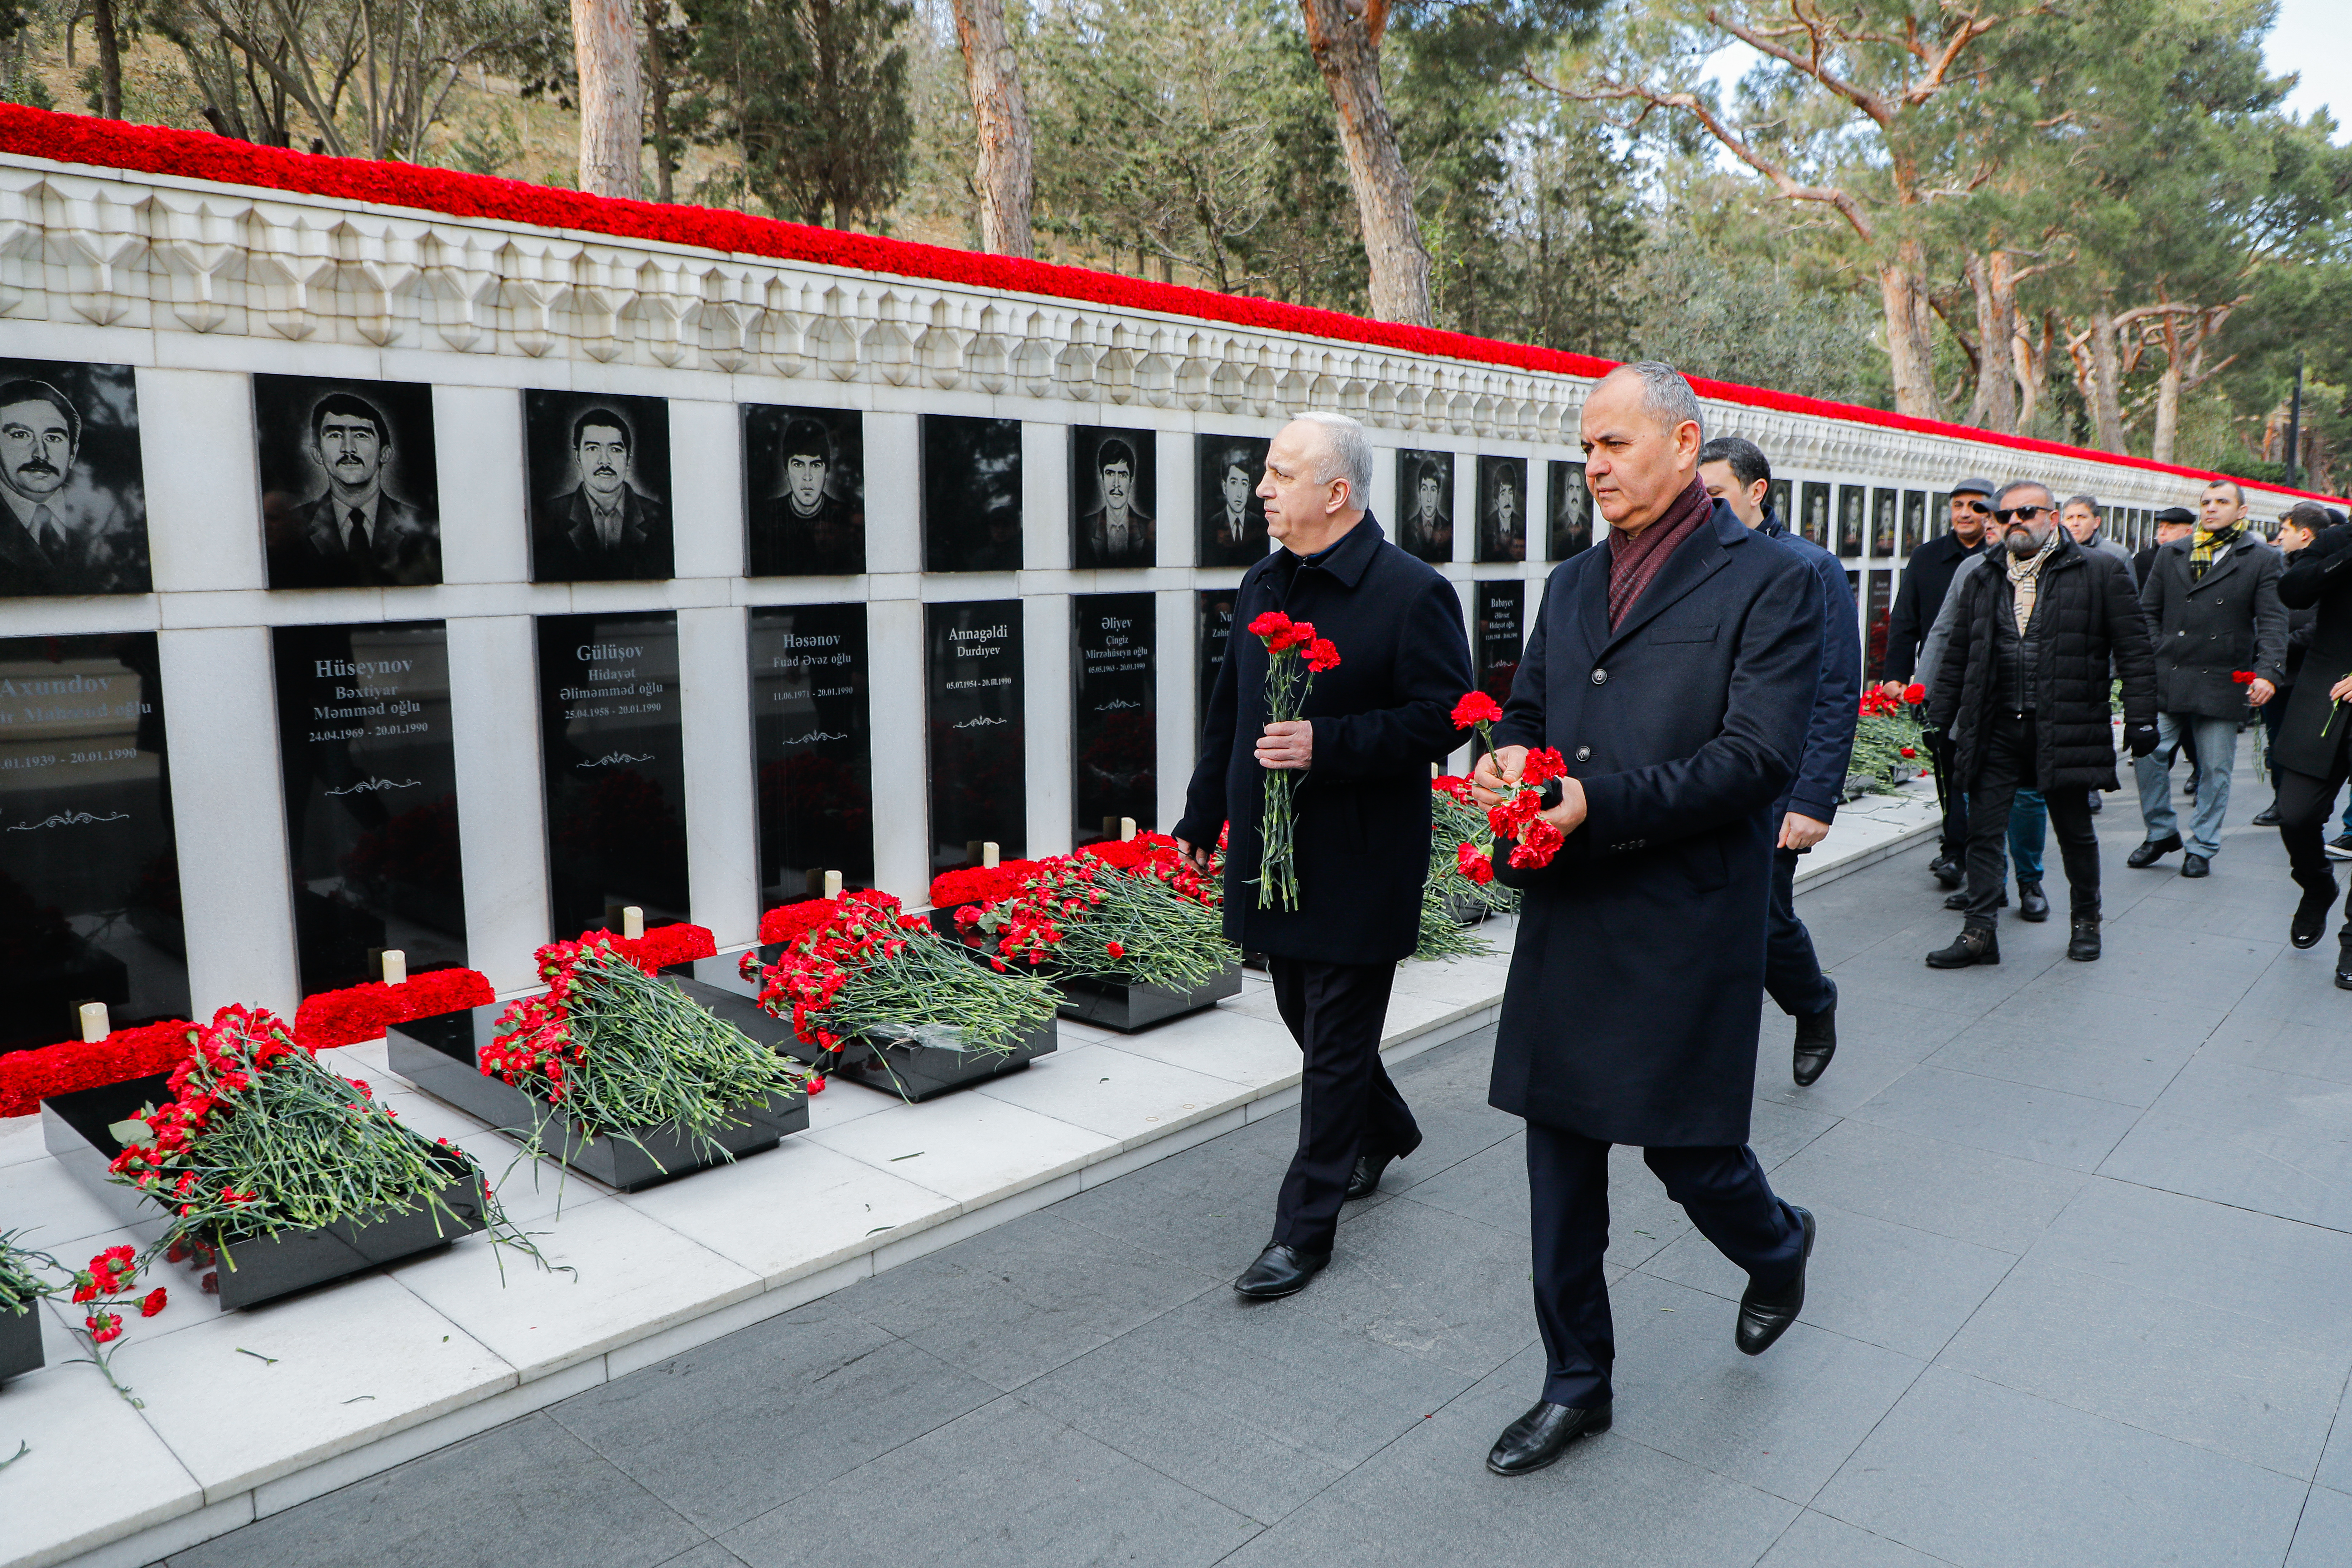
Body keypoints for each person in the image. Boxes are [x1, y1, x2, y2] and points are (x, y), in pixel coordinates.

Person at [1472, 363, 1822, 1477]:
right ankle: (1574, 1380)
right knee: (1559, 1166)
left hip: (1680, 915)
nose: (1593, 466)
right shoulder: (1572, 582)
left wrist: (1595, 804)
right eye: (1585, 447)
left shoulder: (1770, 580)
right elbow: (1531, 707)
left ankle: (1776, 1245)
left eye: (1614, 444)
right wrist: (1508, 761)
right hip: (1571, 915)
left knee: (1691, 1157)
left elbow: (1752, 757)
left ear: (1683, 444)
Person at [1171, 411, 1472, 1302]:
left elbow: (1443, 715)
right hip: (1274, 853)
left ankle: (1302, 1232)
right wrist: (1198, 818)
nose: (1260, 489)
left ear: (1335, 493)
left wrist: (1326, 744)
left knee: (1334, 1044)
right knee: (1307, 1015)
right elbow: (1230, 708)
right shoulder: (1264, 580)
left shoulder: (1412, 592)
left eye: (1277, 474)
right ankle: (1385, 1128)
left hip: (1361, 855)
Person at [1925, 481, 2158, 967]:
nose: (2013, 521)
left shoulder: (2100, 570)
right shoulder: (1985, 574)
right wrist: (1940, 714)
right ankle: (1979, 932)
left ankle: (2086, 921)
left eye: (2025, 512)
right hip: (1995, 725)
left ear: (2052, 517)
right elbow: (1958, 654)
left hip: (2065, 723)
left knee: (2074, 831)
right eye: (2004, 514)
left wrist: (2141, 718)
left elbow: (2135, 652)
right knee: (1984, 832)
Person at [1699, 435, 1856, 1087]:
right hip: (1700, 778)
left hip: (1771, 784)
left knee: (1762, 919)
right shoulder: (1696, 564)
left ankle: (1812, 1001)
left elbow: (1834, 688)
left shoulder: (1807, 568)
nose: (1703, 512)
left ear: (1755, 490)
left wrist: (1812, 797)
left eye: (1714, 498)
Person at [2127, 479, 2286, 876]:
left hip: (2223, 675)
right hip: (2170, 672)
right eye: (2205, 502)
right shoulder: (2172, 552)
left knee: (2215, 768)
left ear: (2242, 510)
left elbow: (2272, 622)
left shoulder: (2261, 558)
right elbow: (2146, 610)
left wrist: (2267, 672)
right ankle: (2161, 831)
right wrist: (2156, 648)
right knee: (2147, 754)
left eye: (2221, 501)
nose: (2211, 508)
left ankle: (2202, 844)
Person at [1914, 509, 2053, 921]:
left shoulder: (2060, 570)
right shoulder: (1972, 569)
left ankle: (2030, 881)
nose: (2002, 524)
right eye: (1997, 518)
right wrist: (1924, 687)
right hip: (1977, 704)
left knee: (2027, 800)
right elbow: (1944, 629)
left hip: (2030, 706)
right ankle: (1987, 887)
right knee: (1978, 797)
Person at [1880, 477, 1996, 889]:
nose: (1965, 512)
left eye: (1976, 506)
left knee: (1982, 773)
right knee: (1947, 769)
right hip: (1939, 683)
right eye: (1958, 505)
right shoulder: (1927, 557)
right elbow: (1905, 619)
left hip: (1988, 682)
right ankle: (1954, 848)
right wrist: (1895, 674)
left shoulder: (2001, 557)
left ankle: (1980, 850)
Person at [2272, 509, 2352, 983]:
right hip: (2323, 697)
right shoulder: (2336, 540)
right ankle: (2317, 884)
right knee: (2295, 813)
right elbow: (2293, 590)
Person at [267, 392, 441, 589]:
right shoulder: (298, 525)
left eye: (361, 435)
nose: (348, 449)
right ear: (317, 453)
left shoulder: (417, 526)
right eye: (335, 435)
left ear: (385, 453)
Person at [0, 377, 142, 596]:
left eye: (54, 438)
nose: (40, 453)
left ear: (73, 454)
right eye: (20, 435)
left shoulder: (105, 521)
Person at [532, 407, 674, 582]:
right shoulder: (551, 515)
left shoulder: (660, 516)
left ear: (628, 459)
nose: (605, 461)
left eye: (615, 450)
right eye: (593, 449)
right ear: (578, 457)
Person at [2254, 506, 2324, 826]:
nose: (2280, 537)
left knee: (2305, 744)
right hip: (2278, 673)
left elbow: (2321, 625)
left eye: (2285, 530)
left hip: (2310, 672)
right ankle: (2281, 801)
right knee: (2277, 739)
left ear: (2304, 534)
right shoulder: (2276, 566)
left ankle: (2303, 804)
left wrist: (2279, 643)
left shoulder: (2327, 569)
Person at [750, 415, 862, 575]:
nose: (807, 477)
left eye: (816, 465)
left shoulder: (843, 513)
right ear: (786, 471)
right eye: (798, 465)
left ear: (827, 471)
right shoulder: (767, 512)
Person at [1078, 435, 1153, 566]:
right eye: (1110, 474)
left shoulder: (1147, 528)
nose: (1116, 485)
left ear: (1131, 481)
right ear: (1102, 478)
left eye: (1123, 475)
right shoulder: (1085, 527)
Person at [1399, 454, 1453, 561]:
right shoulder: (1408, 528)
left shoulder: (1447, 526)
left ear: (1439, 494)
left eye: (1433, 490)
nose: (1429, 499)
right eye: (1425, 490)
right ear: (1419, 493)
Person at [2061, 494, 2133, 570]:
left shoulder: (2118, 555)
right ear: (2062, 524)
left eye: (2082, 517)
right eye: (2070, 518)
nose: (2075, 523)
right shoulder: (2054, 554)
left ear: (2096, 522)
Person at [2134, 506, 2196, 588]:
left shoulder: (2195, 559)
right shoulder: (2143, 559)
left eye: (2171, 528)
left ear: (2188, 532)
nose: (2162, 533)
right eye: (2160, 527)